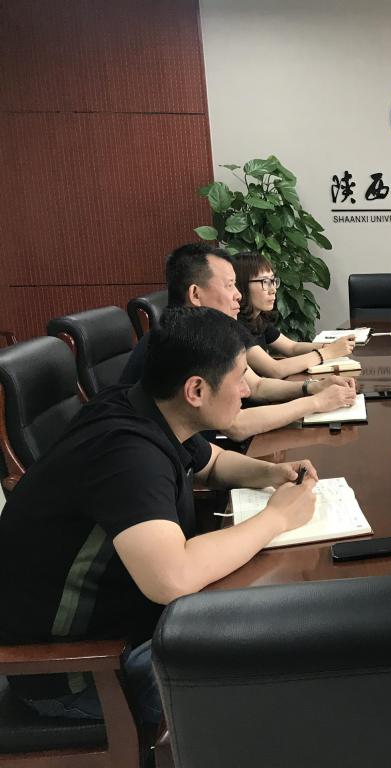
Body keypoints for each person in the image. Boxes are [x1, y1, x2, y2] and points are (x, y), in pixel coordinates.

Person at [0, 307, 320, 724]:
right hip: (87, 672)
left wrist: (269, 473)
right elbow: (172, 578)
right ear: (196, 390)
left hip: (134, 628)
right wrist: (277, 518)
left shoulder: (142, 405)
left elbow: (210, 462)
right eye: (240, 377)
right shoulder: (127, 454)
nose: (246, 390)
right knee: (287, 672)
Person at [121, 243, 356, 441]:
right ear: (195, 295)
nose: (238, 295)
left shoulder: (207, 332)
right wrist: (316, 402)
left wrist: (311, 387)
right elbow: (236, 425)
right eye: (229, 285)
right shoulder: (183, 343)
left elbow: (256, 386)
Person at [233, 251, 357, 379]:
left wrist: (332, 346)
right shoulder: (235, 326)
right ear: (241, 286)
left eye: (273, 281)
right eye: (265, 281)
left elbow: (292, 347)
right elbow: (275, 369)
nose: (273, 289)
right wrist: (328, 352)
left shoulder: (258, 319)